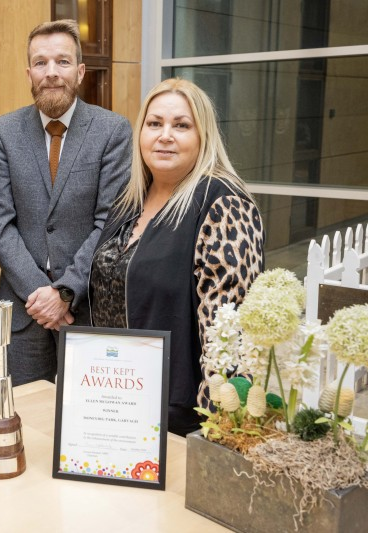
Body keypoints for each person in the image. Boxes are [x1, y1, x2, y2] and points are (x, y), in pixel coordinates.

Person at [89, 78, 265, 436]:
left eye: (181, 125)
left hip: (178, 417)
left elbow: (228, 336)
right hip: (114, 400)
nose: (165, 135)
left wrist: (217, 425)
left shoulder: (223, 204)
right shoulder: (131, 198)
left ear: (203, 137)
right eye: (154, 124)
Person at [0, 19, 132, 386]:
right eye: (41, 63)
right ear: (29, 72)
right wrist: (41, 295)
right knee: (21, 417)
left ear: (80, 71)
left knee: (83, 417)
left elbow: (108, 223)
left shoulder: (112, 131)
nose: (51, 73)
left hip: (84, 306)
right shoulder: (4, 131)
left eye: (62, 62)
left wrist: (65, 292)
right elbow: (1, 223)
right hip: (24, 306)